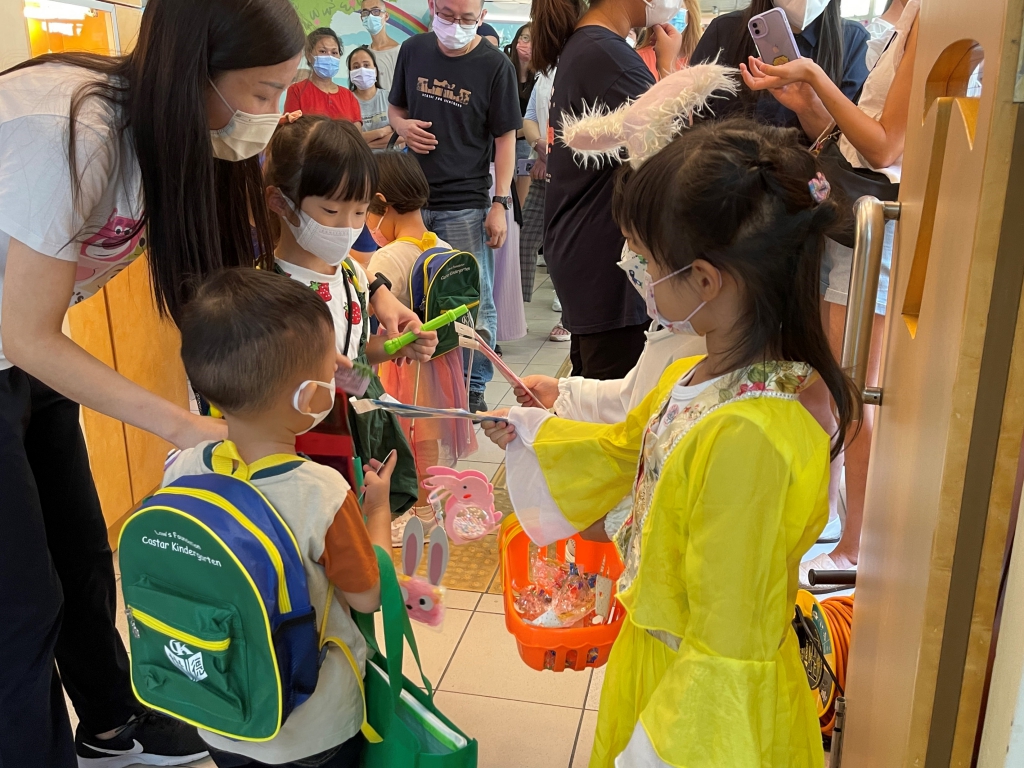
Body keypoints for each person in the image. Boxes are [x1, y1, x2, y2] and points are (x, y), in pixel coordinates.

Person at [481, 119, 859, 768]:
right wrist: (535, 433)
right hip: (657, 659)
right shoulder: (693, 372)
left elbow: (729, 646)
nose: (644, 276)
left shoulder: (753, 439)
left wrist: (657, 751)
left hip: (699, 704)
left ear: (706, 280)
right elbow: (625, 450)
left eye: (651, 262)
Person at [0, 0, 307, 764]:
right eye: (264, 91)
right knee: (20, 605)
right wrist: (180, 424)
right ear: (197, 70)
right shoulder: (76, 130)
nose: (274, 112)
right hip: (19, 341)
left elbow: (214, 288)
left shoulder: (174, 139)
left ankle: (110, 723)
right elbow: (24, 333)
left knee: (80, 556)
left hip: (23, 355)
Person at [172, 268, 394, 767]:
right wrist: (377, 509)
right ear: (310, 398)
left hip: (220, 711)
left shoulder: (182, 468)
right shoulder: (322, 493)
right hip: (312, 726)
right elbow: (369, 594)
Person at [740, 0, 920, 583]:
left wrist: (816, 77)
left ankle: (856, 544)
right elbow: (860, 141)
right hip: (852, 222)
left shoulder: (934, 19)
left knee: (854, 389)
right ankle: (823, 515)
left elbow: (887, 148)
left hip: (873, 227)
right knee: (824, 381)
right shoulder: (907, 20)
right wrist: (808, 103)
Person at [263, 115, 435, 518]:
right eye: (331, 210)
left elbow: (353, 354)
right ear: (280, 202)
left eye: (360, 212)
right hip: (301, 456)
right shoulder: (268, 292)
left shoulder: (352, 274)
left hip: (354, 441)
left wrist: (395, 346)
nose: (347, 228)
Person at [531, 0, 683, 380]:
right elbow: (673, 154)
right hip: (608, 256)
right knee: (613, 399)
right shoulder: (608, 55)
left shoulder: (588, 45)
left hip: (584, 246)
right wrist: (668, 68)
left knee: (589, 392)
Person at [388, 0, 522, 411]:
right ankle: (422, 385)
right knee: (409, 296)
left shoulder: (495, 66)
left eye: (467, 19)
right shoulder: (413, 50)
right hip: (410, 198)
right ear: (432, 6)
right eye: (447, 15)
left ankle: (473, 385)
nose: (456, 26)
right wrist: (401, 126)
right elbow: (396, 107)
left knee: (470, 300)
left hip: (464, 201)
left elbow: (505, 139)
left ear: (482, 17)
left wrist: (499, 203)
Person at [364, 151, 479, 543]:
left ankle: (418, 512)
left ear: (381, 203)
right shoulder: (440, 245)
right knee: (428, 435)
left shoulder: (387, 256)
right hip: (441, 362)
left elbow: (368, 310)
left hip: (403, 364)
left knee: (405, 435)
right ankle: (432, 505)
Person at [690, 0, 868, 136]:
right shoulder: (724, 30)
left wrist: (809, 108)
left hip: (811, 172)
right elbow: (693, 118)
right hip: (726, 169)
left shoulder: (854, 41)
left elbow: (847, 146)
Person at [284, 27, 363, 125]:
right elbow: (291, 130)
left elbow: (356, 132)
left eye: (334, 52)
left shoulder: (348, 96)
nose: (329, 56)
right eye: (322, 51)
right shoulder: (297, 91)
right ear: (309, 56)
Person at [633, 0, 704, 79]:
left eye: (676, 8)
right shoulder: (638, 59)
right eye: (664, 9)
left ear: (691, 13)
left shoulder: (706, 59)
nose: (670, 14)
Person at [505, 23, 535, 208]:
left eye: (534, 40)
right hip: (502, 141)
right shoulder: (504, 70)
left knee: (521, 204)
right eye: (525, 38)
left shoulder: (541, 77)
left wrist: (520, 129)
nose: (528, 44)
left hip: (526, 142)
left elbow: (538, 118)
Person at [348, 46, 396, 149]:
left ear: (375, 70)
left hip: (390, 158)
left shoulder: (390, 98)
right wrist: (381, 132)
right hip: (361, 159)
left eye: (366, 65)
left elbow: (401, 136)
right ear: (350, 73)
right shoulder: (346, 101)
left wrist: (366, 144)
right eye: (356, 67)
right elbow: (349, 140)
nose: (362, 70)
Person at [359, 0, 402, 90]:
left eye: (376, 11)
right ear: (361, 18)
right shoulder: (364, 54)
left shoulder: (400, 52)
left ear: (386, 16)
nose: (370, 16)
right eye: (365, 12)